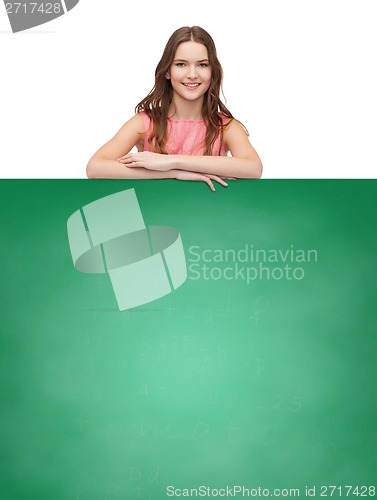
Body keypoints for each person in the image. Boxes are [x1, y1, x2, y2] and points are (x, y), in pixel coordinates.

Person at [86, 26, 262, 191]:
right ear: (167, 71)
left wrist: (170, 161)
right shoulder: (145, 123)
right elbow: (95, 167)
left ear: (213, 72)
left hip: (210, 217)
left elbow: (254, 168)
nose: (192, 74)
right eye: (181, 64)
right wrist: (174, 173)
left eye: (202, 64)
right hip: (155, 215)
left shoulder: (227, 127)